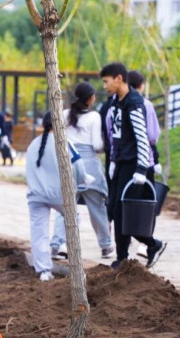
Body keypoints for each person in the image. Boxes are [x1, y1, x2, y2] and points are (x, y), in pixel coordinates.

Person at [101, 62, 167, 270]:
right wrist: (113, 160)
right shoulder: (115, 103)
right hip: (121, 162)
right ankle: (126, 255)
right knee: (115, 209)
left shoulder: (134, 103)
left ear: (119, 78)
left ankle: (146, 246)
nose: (104, 86)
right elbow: (115, 135)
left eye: (106, 81)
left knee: (125, 212)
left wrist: (141, 170)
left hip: (134, 165)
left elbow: (142, 138)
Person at [26, 112, 88, 281]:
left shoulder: (33, 145)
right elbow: (79, 167)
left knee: (39, 233)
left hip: (36, 196)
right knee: (73, 219)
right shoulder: (63, 142)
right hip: (60, 195)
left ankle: (44, 271)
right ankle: (62, 248)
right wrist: (80, 183)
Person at [63, 82, 114, 259]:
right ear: (91, 98)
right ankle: (106, 245)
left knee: (66, 206)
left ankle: (59, 244)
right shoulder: (94, 116)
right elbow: (97, 145)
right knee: (97, 207)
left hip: (69, 163)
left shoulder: (64, 114)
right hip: (89, 166)